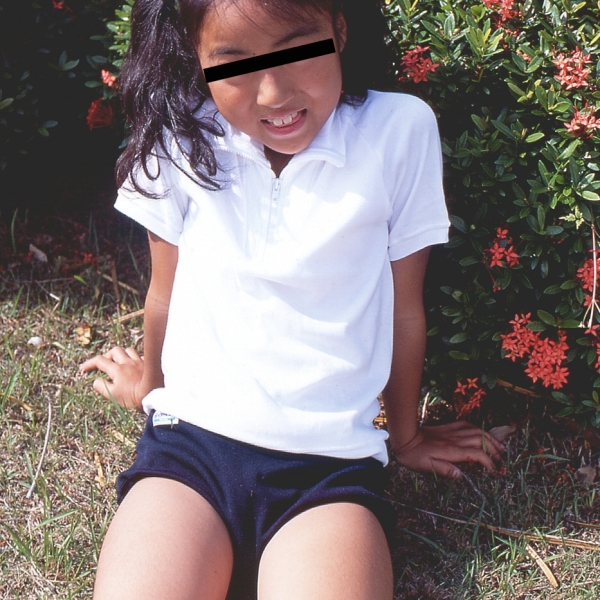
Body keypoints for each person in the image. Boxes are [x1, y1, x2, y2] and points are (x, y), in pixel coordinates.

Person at [80, 0, 506, 598]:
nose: (273, 92)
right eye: (234, 62)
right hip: (187, 453)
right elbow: (164, 294)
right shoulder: (180, 134)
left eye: (298, 49)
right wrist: (150, 387)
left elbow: (405, 308)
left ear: (339, 28)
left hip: (328, 474)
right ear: (196, 57)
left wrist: (405, 436)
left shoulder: (398, 130)